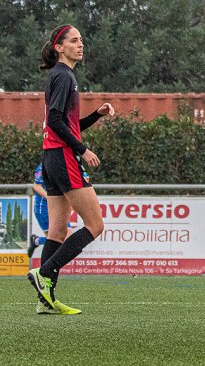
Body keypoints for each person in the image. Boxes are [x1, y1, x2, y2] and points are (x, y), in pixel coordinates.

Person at [27, 24, 115, 315]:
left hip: (51, 157)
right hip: (63, 157)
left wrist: (96, 115)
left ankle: (46, 300)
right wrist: (82, 149)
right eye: (74, 40)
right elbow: (55, 121)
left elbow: (68, 125)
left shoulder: (60, 76)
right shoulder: (64, 76)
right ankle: (45, 274)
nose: (81, 45)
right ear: (59, 47)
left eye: (81, 40)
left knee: (58, 231)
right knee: (95, 225)